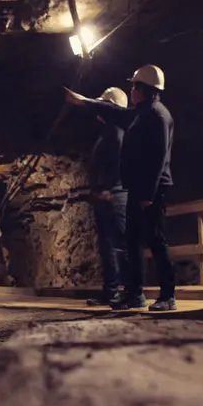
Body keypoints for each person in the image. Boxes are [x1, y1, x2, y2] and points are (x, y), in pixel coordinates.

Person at [65, 65, 177, 312]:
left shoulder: (157, 115)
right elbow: (114, 111)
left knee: (157, 241)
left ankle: (168, 296)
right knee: (133, 241)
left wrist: (148, 194)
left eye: (135, 86)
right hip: (136, 188)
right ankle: (134, 294)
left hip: (152, 191)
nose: (131, 90)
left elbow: (157, 158)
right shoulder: (140, 114)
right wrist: (85, 102)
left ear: (145, 89)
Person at [85, 87, 128, 307]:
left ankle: (124, 291)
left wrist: (110, 189)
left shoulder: (116, 132)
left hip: (114, 195)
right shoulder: (109, 132)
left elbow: (119, 163)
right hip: (107, 195)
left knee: (118, 245)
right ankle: (111, 291)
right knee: (108, 246)